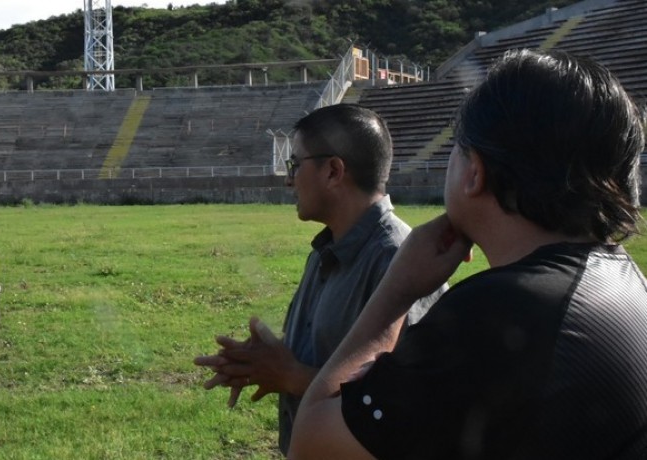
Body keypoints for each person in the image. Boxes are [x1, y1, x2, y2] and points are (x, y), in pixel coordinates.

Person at [289, 49, 647, 459]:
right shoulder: (624, 278)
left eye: (456, 150)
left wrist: (397, 289)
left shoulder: (504, 311)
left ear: (474, 172)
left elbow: (312, 443)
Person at [193, 103, 445, 455]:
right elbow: (329, 355)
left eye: (295, 164)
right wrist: (260, 361)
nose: (287, 179)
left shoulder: (398, 259)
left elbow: (407, 405)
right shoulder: (326, 251)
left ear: (333, 171)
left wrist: (291, 375)